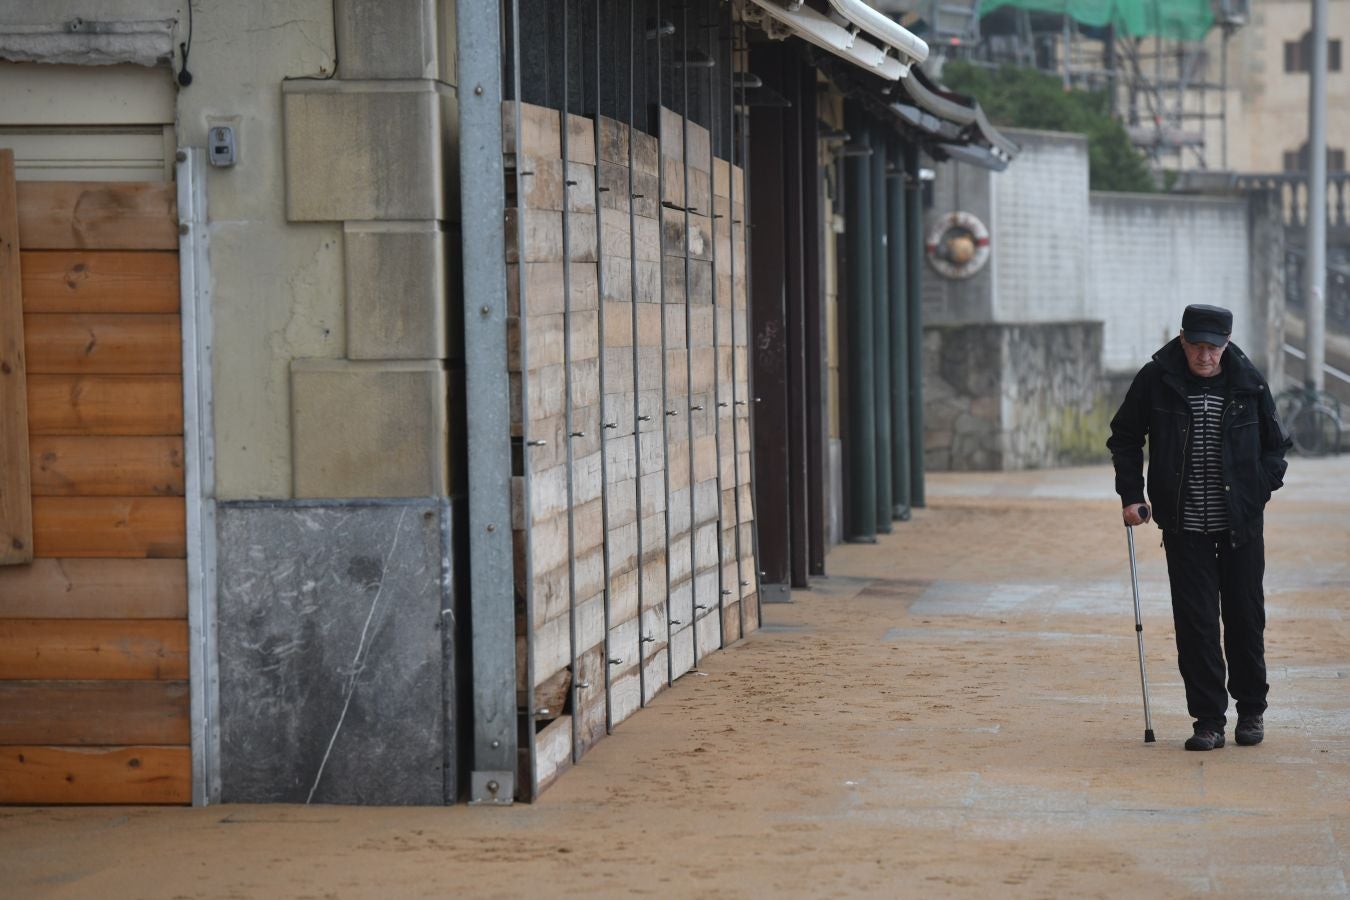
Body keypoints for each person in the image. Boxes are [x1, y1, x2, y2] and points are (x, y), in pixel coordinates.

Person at [1107, 304, 1291, 751]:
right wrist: (1132, 495)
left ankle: (1250, 711)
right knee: (1197, 624)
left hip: (1241, 527)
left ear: (1226, 345)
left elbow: (1276, 449)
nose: (1205, 355)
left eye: (1214, 347)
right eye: (1198, 346)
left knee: (1245, 618)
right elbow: (1125, 437)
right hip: (1184, 526)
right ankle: (1208, 719)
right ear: (1183, 341)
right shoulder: (1157, 379)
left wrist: (1256, 491)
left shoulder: (1248, 382)